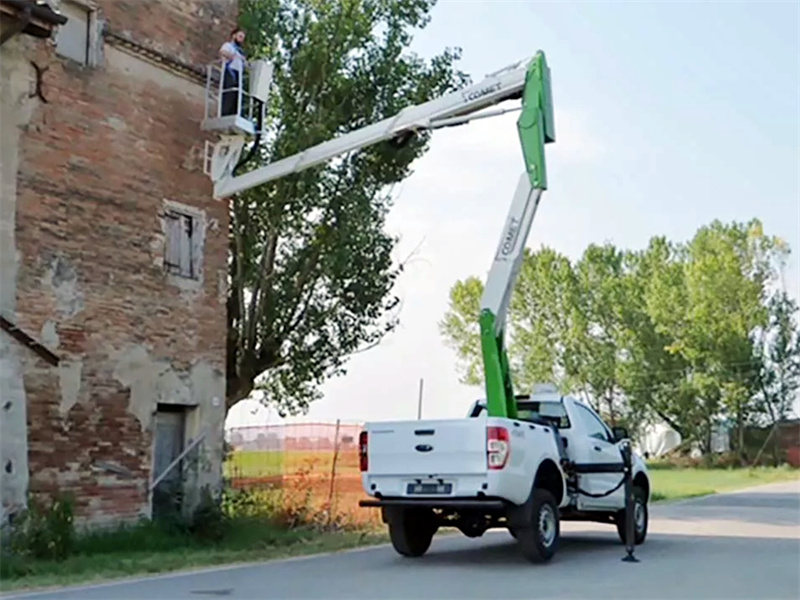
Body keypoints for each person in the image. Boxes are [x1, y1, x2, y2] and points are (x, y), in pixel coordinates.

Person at [219, 27, 247, 117]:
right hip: (230, 71)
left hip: (238, 73)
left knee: (237, 94)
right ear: (234, 36)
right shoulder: (228, 45)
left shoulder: (240, 51)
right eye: (240, 36)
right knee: (229, 93)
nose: (241, 39)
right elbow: (222, 52)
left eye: (242, 37)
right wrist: (231, 56)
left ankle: (235, 113)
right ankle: (226, 113)